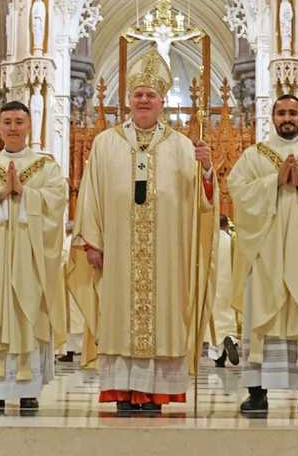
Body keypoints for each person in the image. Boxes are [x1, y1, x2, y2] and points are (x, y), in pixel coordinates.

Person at [68, 48, 218, 412]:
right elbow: (91, 195)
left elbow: (202, 204)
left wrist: (208, 170)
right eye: (138, 94)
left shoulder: (183, 147)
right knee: (118, 319)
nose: (144, 99)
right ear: (128, 99)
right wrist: (92, 241)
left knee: (164, 318)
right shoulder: (106, 143)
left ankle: (157, 393)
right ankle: (122, 392)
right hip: (117, 253)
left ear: (162, 100)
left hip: (167, 256)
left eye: (151, 94)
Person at [228, 94, 298, 414]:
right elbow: (237, 189)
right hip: (264, 253)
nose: (287, 118)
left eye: (292, 112)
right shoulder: (254, 156)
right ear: (272, 117)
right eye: (281, 113)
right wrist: (273, 182)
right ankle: (257, 391)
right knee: (259, 315)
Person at [0, 101, 67, 411]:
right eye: (7, 121)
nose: (12, 127)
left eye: (18, 121)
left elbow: (57, 201)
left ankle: (28, 388)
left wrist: (25, 193)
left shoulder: (46, 166)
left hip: (30, 255)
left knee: (29, 312)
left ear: (29, 126)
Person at [207, 215, 240, 368]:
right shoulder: (233, 240)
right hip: (230, 288)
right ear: (227, 226)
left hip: (213, 290)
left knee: (214, 325)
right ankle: (231, 340)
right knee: (230, 322)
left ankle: (218, 356)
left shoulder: (208, 243)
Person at [59, 221, 84, 363]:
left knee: (76, 318)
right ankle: (70, 350)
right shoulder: (69, 241)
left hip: (75, 283)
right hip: (68, 283)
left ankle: (76, 350)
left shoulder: (72, 242)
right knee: (71, 319)